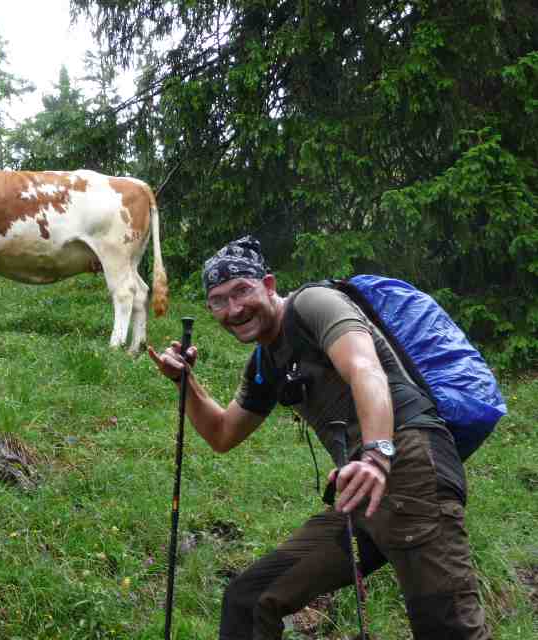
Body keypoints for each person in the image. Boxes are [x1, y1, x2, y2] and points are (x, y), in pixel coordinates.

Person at [148, 236, 490, 640]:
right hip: (360, 490)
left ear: (269, 285)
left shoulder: (314, 304)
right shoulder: (265, 362)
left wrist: (377, 453)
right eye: (219, 300)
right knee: (251, 599)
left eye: (242, 290)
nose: (234, 309)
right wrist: (186, 383)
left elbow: (365, 368)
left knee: (448, 630)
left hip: (411, 467)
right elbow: (223, 434)